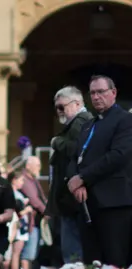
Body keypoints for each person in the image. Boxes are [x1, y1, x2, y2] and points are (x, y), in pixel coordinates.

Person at [66, 75, 132, 267]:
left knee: (114, 261)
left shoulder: (125, 120)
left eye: (100, 92)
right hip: (88, 204)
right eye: (92, 93)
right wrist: (74, 181)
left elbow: (118, 155)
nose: (95, 97)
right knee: (92, 262)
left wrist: (83, 177)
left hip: (114, 204)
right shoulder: (88, 125)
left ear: (113, 93)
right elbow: (75, 158)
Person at [46, 86, 93, 264]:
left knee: (73, 255)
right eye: (56, 107)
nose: (59, 111)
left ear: (77, 104)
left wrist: (56, 142)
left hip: (73, 198)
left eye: (62, 106)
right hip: (70, 199)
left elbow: (77, 150)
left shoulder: (81, 120)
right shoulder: (79, 122)